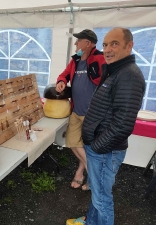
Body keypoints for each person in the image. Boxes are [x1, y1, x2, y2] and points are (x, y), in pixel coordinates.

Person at [66, 27, 146, 225]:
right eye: (106, 44)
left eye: (115, 44)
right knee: (98, 194)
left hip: (105, 151)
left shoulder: (129, 75)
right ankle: (90, 222)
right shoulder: (115, 71)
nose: (108, 49)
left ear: (129, 46)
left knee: (103, 200)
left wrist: (96, 146)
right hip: (100, 149)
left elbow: (123, 124)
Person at [56, 29, 105, 190]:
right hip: (77, 111)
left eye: (79, 40)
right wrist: (62, 81)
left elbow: (107, 83)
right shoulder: (75, 60)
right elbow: (64, 74)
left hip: (93, 114)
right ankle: (95, 174)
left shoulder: (100, 58)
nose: (76, 43)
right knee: (72, 142)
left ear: (89, 43)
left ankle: (81, 173)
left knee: (89, 147)